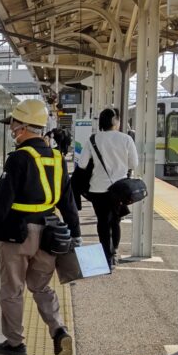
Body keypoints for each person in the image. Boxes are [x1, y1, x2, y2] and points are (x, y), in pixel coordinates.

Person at [0, 99, 80, 355]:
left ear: (22, 127)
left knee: (12, 289)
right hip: (50, 233)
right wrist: (74, 232)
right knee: (40, 286)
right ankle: (58, 329)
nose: (11, 128)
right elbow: (67, 201)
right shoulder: (58, 158)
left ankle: (15, 342)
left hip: (18, 233)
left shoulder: (18, 158)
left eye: (13, 124)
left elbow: (3, 199)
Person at [75, 107, 138, 269]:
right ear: (114, 121)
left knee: (103, 222)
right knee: (115, 221)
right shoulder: (126, 139)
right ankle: (114, 252)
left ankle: (106, 257)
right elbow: (133, 164)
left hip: (98, 189)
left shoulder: (93, 139)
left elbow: (82, 164)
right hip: (120, 189)